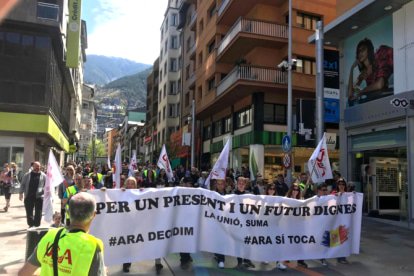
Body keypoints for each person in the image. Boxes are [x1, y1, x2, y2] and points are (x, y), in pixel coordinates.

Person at [18, 192, 106, 276]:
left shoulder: (50, 236)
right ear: (94, 215)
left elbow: (23, 273)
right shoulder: (93, 246)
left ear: (67, 212)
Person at [348, 38, 393, 104]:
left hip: (388, 98)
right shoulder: (363, 74)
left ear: (369, 50)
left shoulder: (379, 57)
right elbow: (350, 95)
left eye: (363, 50)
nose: (360, 53)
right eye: (358, 51)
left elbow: (379, 85)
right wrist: (351, 69)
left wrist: (362, 91)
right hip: (376, 102)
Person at [234, 177, 255, 269]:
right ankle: (239, 261)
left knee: (247, 242)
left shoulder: (249, 195)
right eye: (240, 182)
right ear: (237, 183)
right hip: (236, 223)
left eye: (243, 183)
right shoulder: (232, 195)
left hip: (247, 223)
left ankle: (247, 260)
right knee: (238, 243)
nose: (241, 184)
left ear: (245, 185)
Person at [286, 183, 308, 268]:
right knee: (288, 242)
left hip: (299, 225)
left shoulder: (301, 199)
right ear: (291, 190)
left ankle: (300, 260)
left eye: (297, 190)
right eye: (294, 189)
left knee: (300, 242)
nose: (295, 191)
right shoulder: (286, 199)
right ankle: (286, 257)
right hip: (289, 224)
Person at [19, 162, 46, 228]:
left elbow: (47, 185)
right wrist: (20, 193)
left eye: (39, 166)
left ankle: (36, 225)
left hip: (39, 196)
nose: (38, 168)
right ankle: (31, 224)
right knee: (29, 212)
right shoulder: (27, 175)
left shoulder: (44, 175)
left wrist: (45, 193)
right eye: (36, 166)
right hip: (29, 196)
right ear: (33, 166)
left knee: (38, 212)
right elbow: (23, 184)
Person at [333, 178, 350, 265]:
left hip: (344, 220)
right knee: (336, 239)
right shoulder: (334, 194)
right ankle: (338, 256)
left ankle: (342, 257)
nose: (341, 186)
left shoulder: (348, 195)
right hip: (336, 220)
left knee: (343, 238)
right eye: (340, 184)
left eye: (343, 184)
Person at [214, 179, 227, 269]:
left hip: (228, 221)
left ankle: (220, 258)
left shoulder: (229, 194)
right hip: (216, 221)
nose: (220, 185)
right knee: (219, 240)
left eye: (221, 184)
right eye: (218, 184)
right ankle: (220, 259)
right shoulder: (212, 194)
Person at [317, 184, 329, 267]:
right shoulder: (314, 199)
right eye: (323, 190)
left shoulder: (329, 198)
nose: (325, 192)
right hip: (315, 225)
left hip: (324, 224)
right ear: (319, 190)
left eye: (326, 190)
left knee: (323, 241)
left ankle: (322, 257)